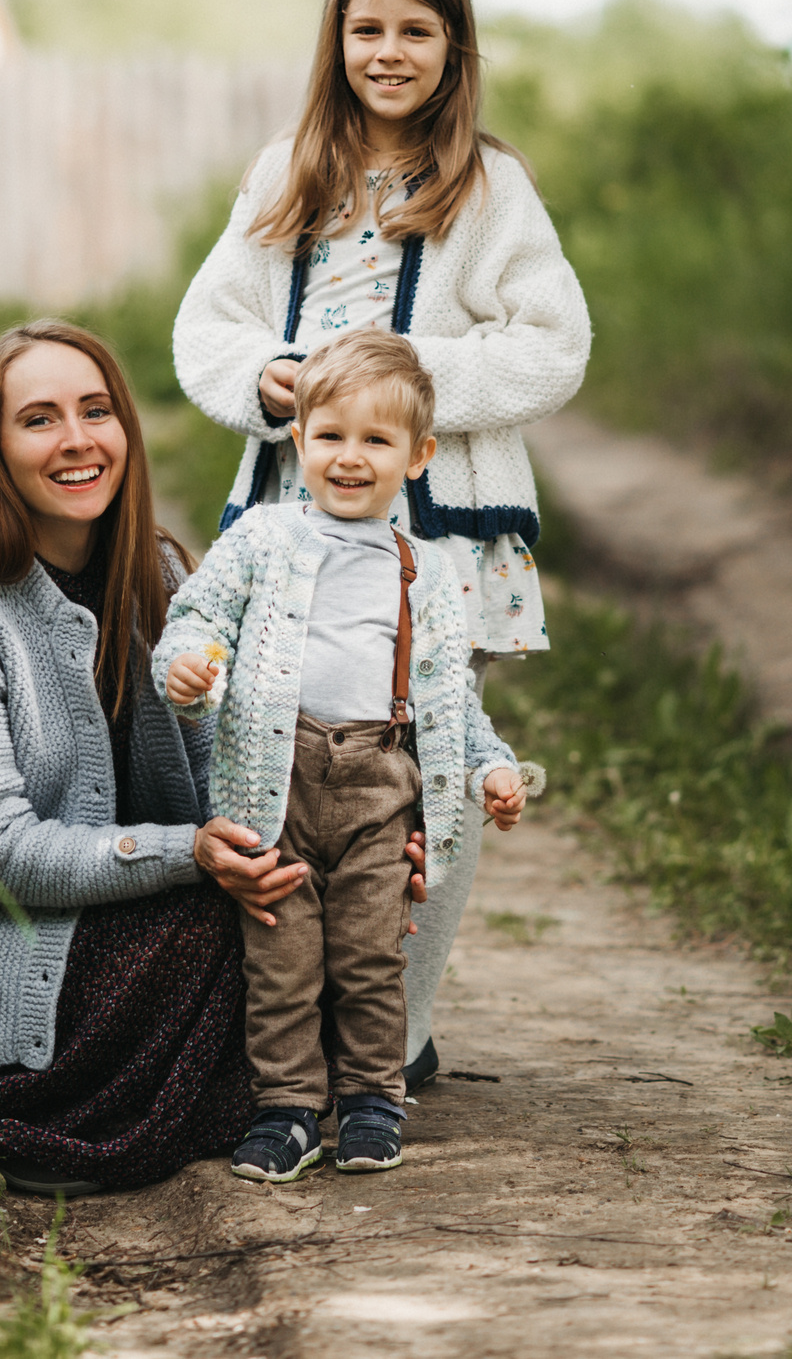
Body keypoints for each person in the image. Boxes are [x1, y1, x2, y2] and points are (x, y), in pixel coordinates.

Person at [0, 320, 392, 1197]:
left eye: (96, 410)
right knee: (226, 933)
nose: (77, 440)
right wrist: (189, 854)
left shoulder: (161, 580)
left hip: (110, 938)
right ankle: (110, 1116)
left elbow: (233, 774)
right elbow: (1, 855)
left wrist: (359, 835)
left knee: (313, 899)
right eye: (39, 419)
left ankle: (250, 1092)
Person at [171, 0, 591, 1088]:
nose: (388, 52)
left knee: (424, 772)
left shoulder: (490, 191)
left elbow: (555, 346)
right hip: (293, 536)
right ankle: (278, 1031)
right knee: (277, 761)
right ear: (337, 40)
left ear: (453, 46)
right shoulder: (286, 171)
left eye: (415, 30)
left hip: (436, 541)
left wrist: (400, 391)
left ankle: (388, 1030)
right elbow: (205, 324)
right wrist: (264, 381)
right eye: (367, 30)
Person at [156, 330, 526, 1180]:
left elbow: (448, 699)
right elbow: (198, 620)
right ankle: (287, 1109)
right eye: (329, 436)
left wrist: (491, 765)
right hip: (274, 780)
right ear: (298, 441)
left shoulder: (426, 570)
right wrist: (184, 665)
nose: (349, 458)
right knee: (280, 955)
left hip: (379, 786)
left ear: (419, 455)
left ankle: (370, 1098)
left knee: (368, 954)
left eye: (376, 440)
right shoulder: (262, 538)